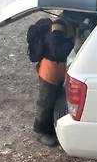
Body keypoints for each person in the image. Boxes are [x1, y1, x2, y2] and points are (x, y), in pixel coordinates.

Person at [30, 15, 75, 147]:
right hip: (50, 71)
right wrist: (73, 42)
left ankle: (50, 128)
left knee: (54, 100)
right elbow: (58, 52)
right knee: (45, 102)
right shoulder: (57, 30)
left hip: (57, 70)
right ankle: (40, 131)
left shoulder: (63, 24)